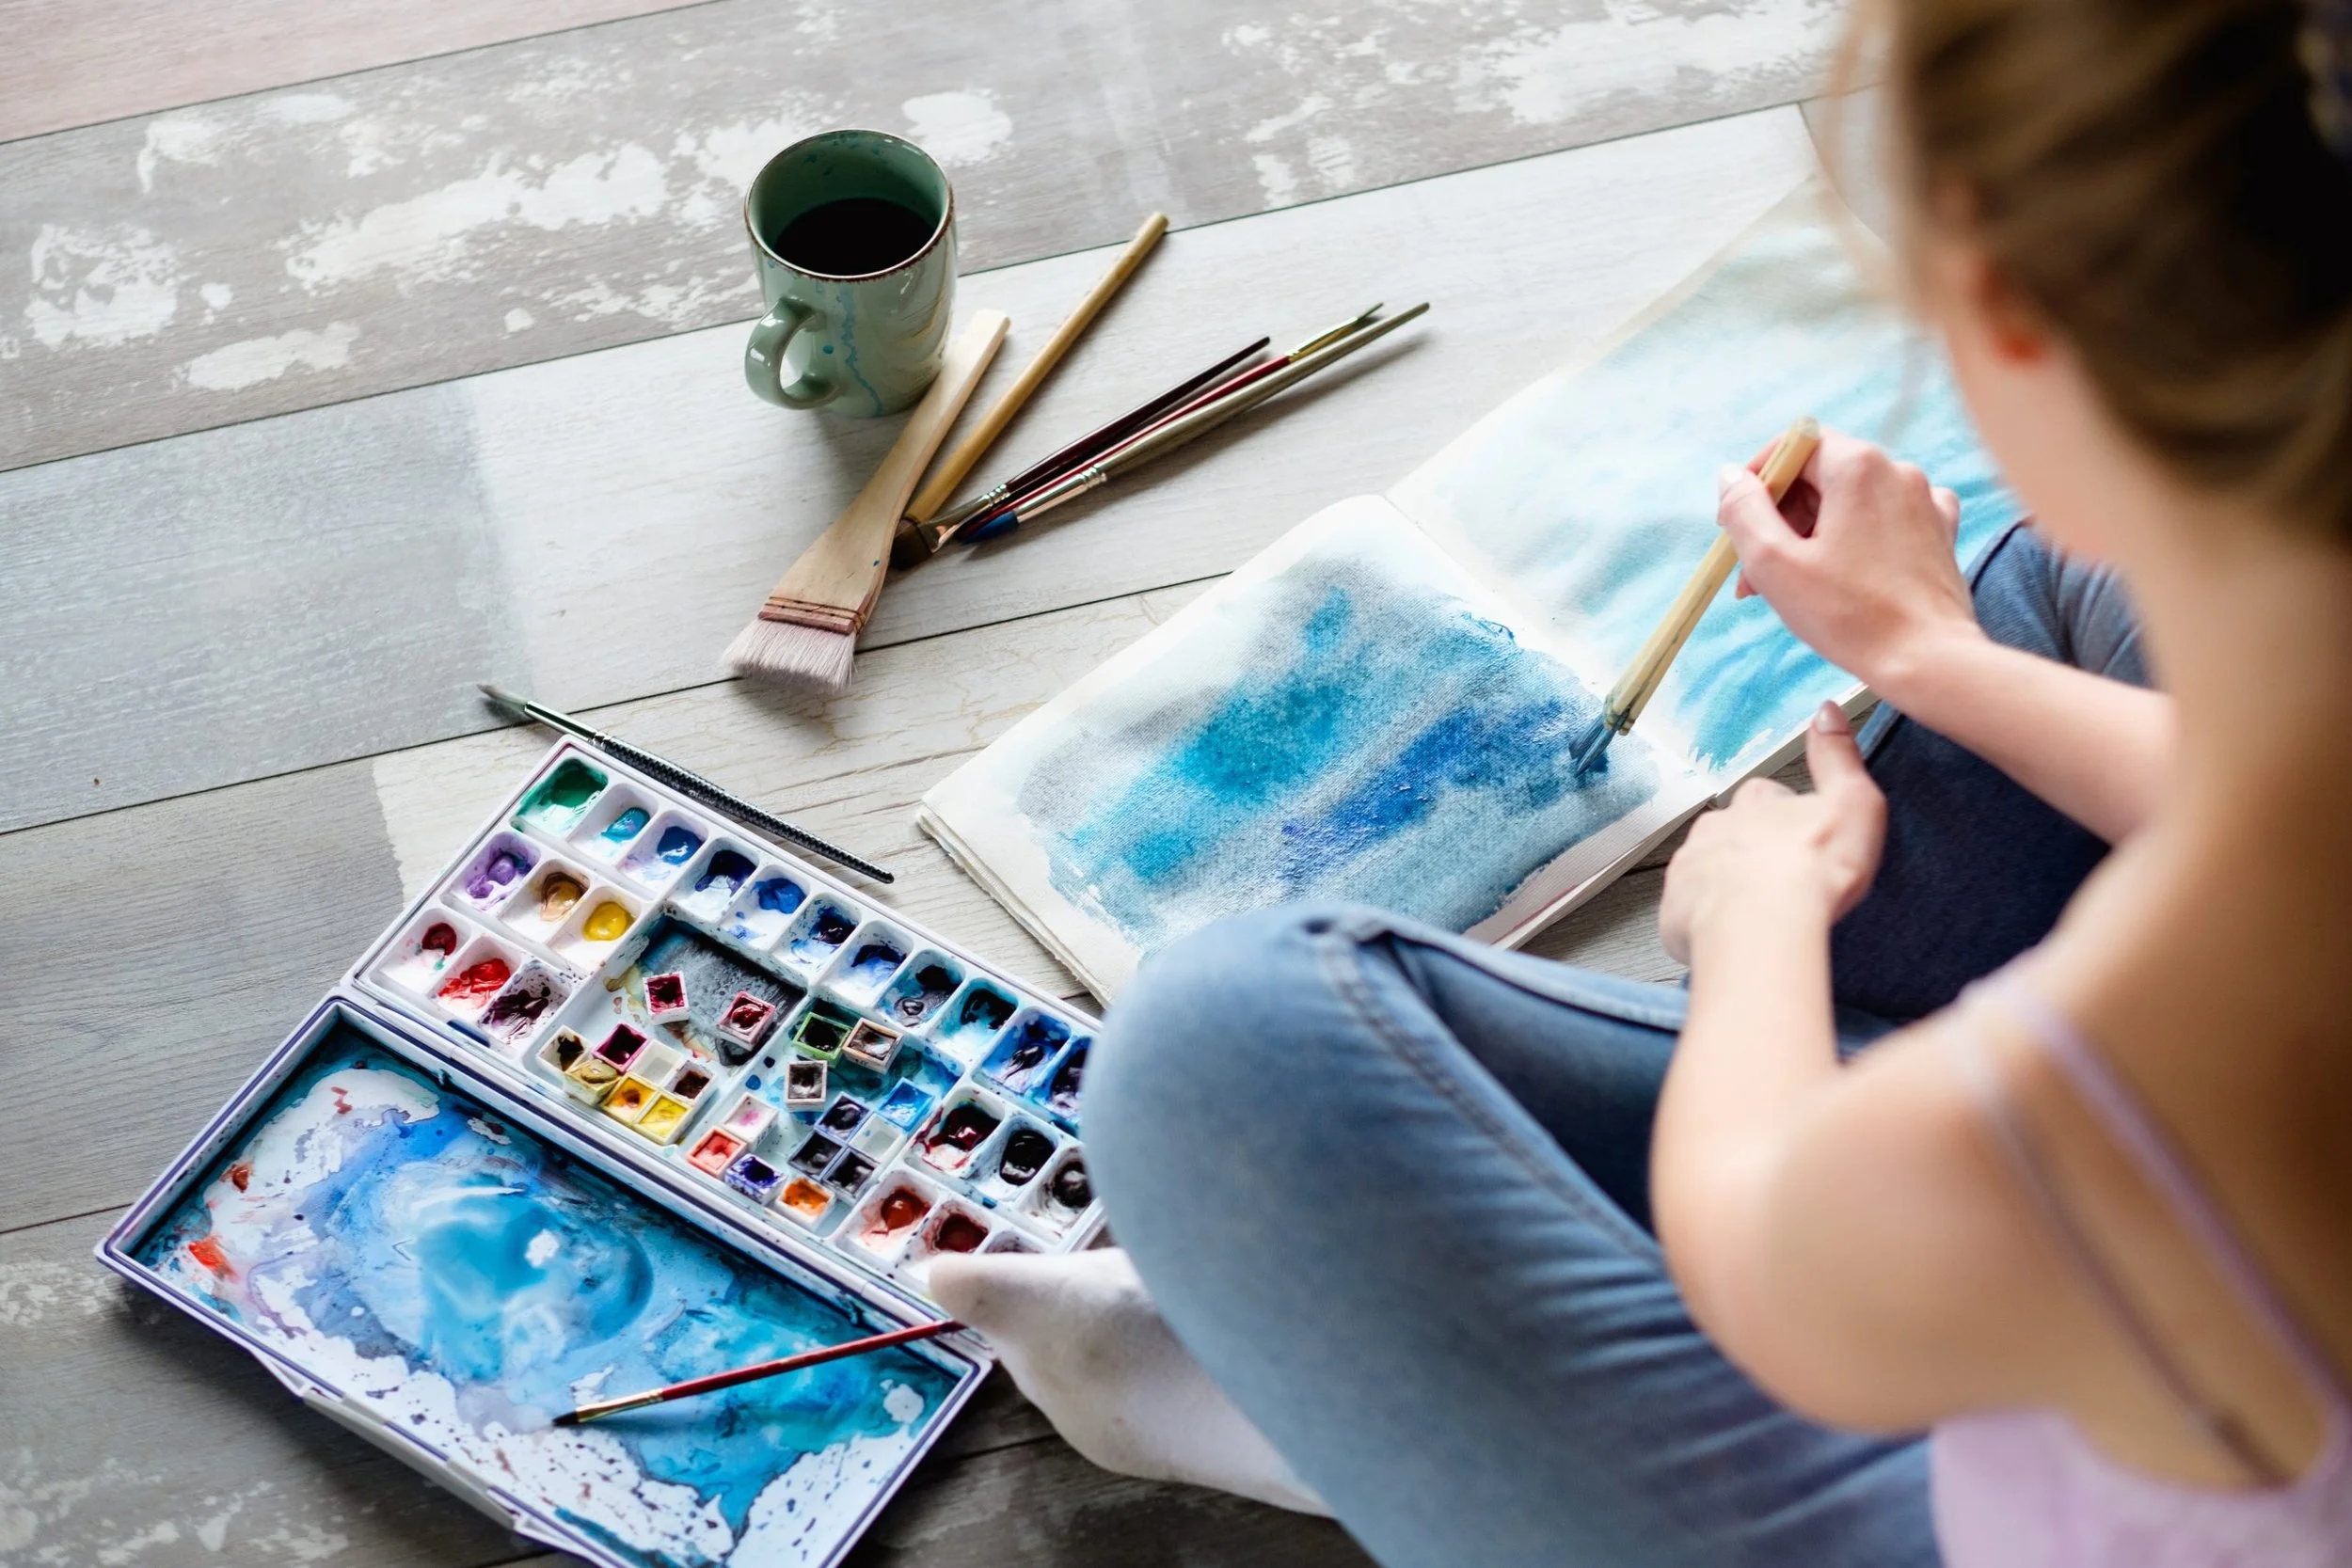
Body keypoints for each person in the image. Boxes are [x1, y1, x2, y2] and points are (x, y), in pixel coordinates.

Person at [930, 0, 2352, 1561]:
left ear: (2011, 317)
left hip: (1968, 1391)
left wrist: (1757, 933)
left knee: (1213, 1061)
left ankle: (1373, 1411)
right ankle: (1447, 1376)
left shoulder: (2160, 1066)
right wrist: (1936, 655)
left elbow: (1789, 1265)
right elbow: (2270, 786)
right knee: (2065, 604)